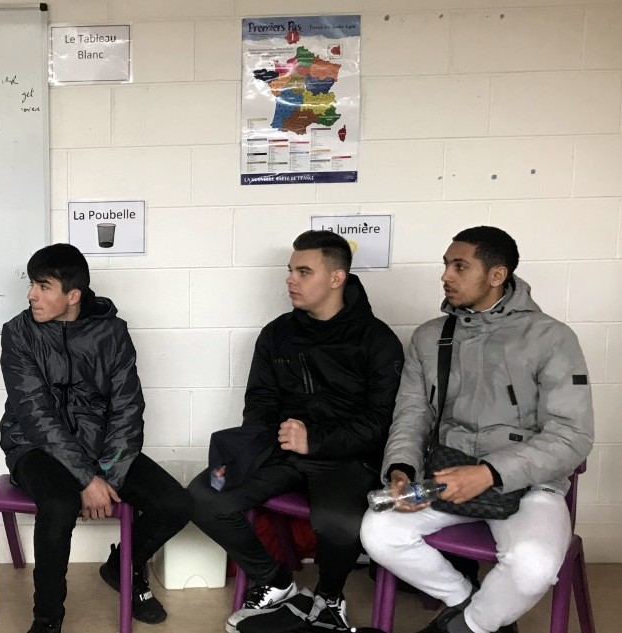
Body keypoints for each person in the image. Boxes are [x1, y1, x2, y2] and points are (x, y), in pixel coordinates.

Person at [361, 226, 594, 633]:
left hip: (529, 485)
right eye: (446, 265)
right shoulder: (430, 336)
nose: (445, 276)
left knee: (534, 566)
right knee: (378, 532)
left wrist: (489, 473)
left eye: (460, 266)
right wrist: (402, 469)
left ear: (496, 274)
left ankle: (463, 627)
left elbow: (572, 435)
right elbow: (412, 415)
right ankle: (467, 603)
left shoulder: (552, 337)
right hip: (446, 474)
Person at [188, 230, 404, 633]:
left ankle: (329, 598)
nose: (291, 280)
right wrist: (263, 444)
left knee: (338, 523)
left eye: (304, 272)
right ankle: (275, 581)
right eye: (290, 270)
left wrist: (316, 440)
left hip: (345, 459)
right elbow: (260, 403)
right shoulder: (277, 333)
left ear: (336, 278)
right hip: (282, 450)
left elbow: (382, 422)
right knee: (205, 495)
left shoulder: (378, 340)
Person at [0, 243, 193, 633]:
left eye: (43, 286)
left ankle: (122, 566)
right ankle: (47, 619)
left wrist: (108, 476)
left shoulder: (113, 333)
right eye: (32, 284)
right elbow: (35, 415)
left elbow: (127, 408)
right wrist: (87, 480)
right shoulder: (18, 333)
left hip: (103, 447)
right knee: (59, 503)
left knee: (176, 504)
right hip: (34, 446)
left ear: (73, 295)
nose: (31, 295)